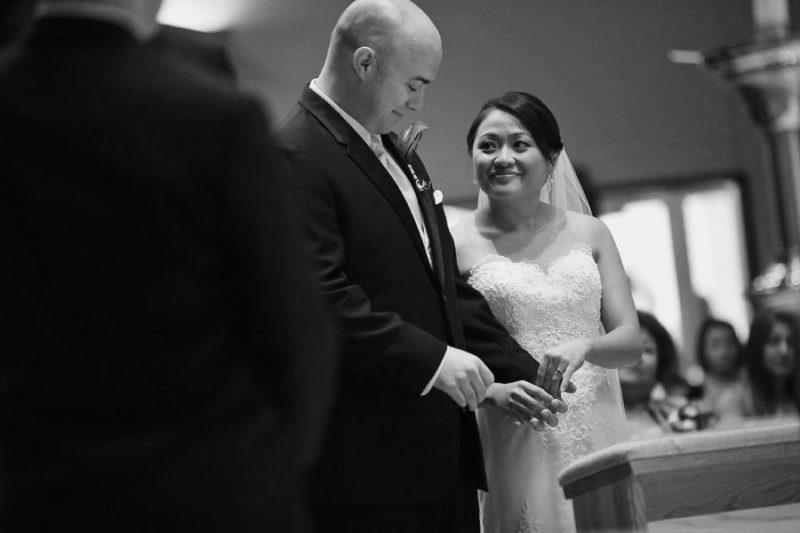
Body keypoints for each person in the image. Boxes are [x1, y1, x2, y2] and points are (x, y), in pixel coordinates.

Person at [0, 1, 336, 531]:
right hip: (206, 486)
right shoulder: (213, 117)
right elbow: (295, 327)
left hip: (35, 492)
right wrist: (269, 468)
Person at [275, 2, 566, 532]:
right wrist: (433, 360)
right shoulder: (294, 152)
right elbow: (320, 297)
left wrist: (524, 370)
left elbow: (442, 285)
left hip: (441, 454)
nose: (418, 103)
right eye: (413, 84)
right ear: (365, 62)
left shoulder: (393, 148)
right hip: (368, 465)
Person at [451, 91, 641, 532]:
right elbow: (449, 350)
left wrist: (586, 345)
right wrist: (491, 392)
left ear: (552, 159)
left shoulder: (591, 233)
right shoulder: (453, 244)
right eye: (488, 145)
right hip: (514, 426)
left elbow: (631, 342)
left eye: (520, 144)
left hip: (597, 424)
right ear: (473, 160)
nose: (503, 158)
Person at [621, 311, 693, 439]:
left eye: (647, 350)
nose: (636, 357)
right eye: (626, 347)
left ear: (661, 362)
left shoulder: (678, 412)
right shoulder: (588, 417)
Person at [744, 309, 800, 417]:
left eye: (790, 342)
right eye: (774, 341)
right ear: (757, 347)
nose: (784, 351)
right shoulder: (739, 399)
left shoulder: (794, 393)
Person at [694, 317, 749, 424]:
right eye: (715, 345)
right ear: (702, 349)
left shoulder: (751, 389)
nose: (724, 351)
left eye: (729, 343)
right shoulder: (694, 396)